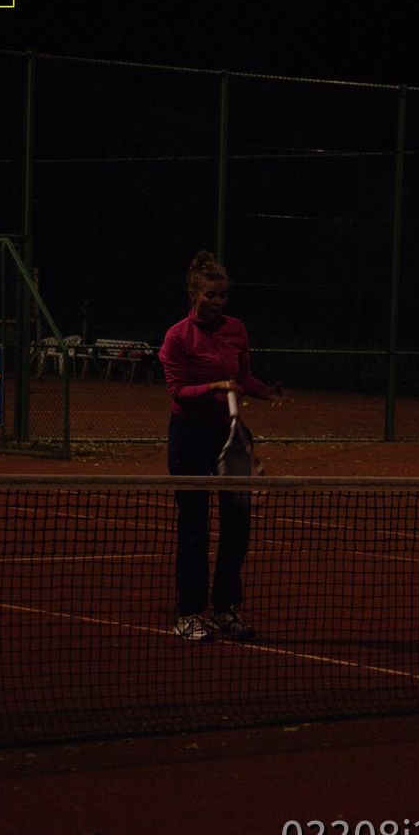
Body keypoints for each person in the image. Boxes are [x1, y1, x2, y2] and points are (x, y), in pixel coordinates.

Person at [159, 250, 283, 642]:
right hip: (189, 436)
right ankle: (189, 614)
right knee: (193, 527)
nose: (217, 301)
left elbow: (243, 377)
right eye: (210, 295)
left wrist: (266, 391)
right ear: (193, 294)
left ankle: (226, 609)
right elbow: (178, 391)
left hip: (230, 435)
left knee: (237, 526)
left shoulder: (236, 330)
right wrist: (214, 386)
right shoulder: (177, 337)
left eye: (222, 295)